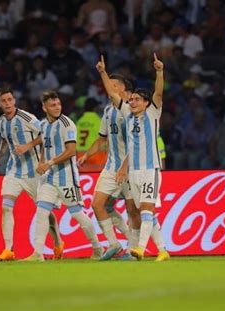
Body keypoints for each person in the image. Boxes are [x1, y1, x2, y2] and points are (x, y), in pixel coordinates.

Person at [97, 54, 170, 261]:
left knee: (146, 210)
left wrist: (159, 71)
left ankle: (140, 249)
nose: (133, 101)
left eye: (137, 99)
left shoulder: (153, 112)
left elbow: (158, 92)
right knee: (146, 212)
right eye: (132, 99)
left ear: (147, 103)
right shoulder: (128, 114)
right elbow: (112, 93)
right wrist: (102, 72)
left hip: (150, 170)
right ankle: (163, 250)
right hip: (133, 172)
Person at [22, 91, 104, 261]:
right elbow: (46, 144)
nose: (57, 107)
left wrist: (49, 163)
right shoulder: (43, 125)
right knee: (42, 211)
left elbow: (71, 151)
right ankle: (38, 253)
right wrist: (42, 162)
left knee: (77, 214)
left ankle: (98, 247)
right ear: (44, 108)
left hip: (66, 177)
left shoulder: (67, 124)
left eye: (58, 104)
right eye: (52, 105)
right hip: (49, 178)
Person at [0, 87, 64, 261]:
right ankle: (8, 249)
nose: (8, 103)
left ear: (14, 100)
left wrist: (28, 146)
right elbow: (4, 139)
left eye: (10, 100)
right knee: (6, 207)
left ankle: (58, 242)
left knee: (44, 210)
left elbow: (45, 134)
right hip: (14, 171)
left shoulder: (27, 118)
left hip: (34, 173)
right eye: (4, 101)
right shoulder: (1, 121)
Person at [77, 73, 140, 261]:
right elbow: (102, 139)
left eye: (114, 85)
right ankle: (114, 244)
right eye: (108, 84)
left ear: (124, 90)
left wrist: (102, 72)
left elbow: (136, 144)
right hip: (111, 166)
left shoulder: (129, 110)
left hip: (129, 168)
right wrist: (87, 154)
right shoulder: (107, 111)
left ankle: (133, 249)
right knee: (98, 204)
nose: (108, 88)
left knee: (133, 210)